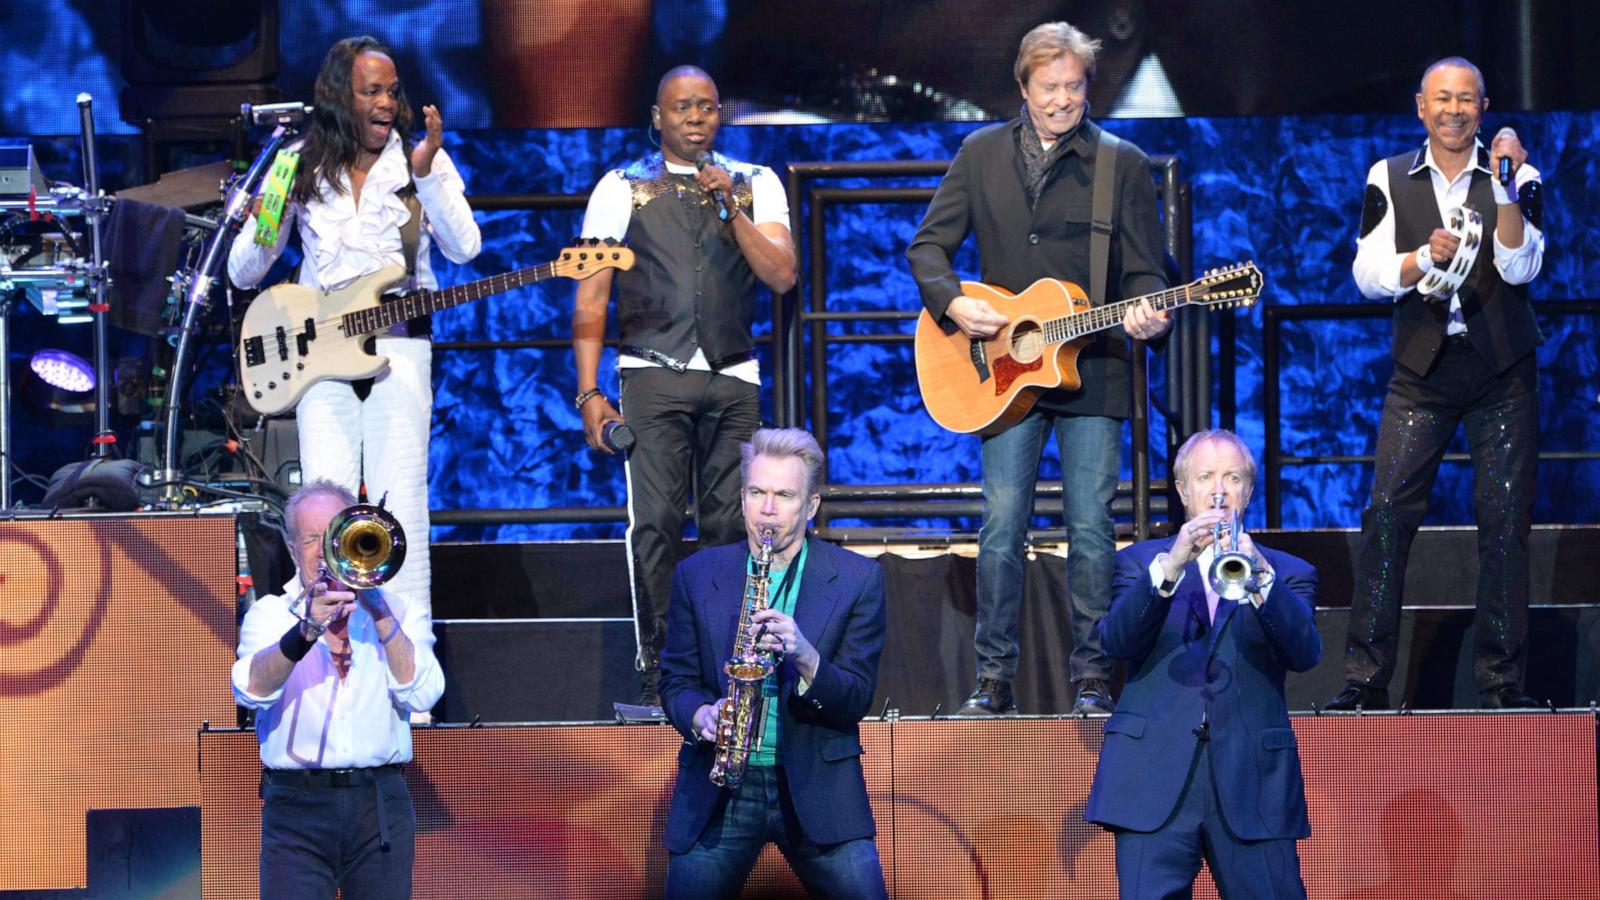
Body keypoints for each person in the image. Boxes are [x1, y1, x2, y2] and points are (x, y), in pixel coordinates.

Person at [905, 21, 1172, 716]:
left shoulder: (1123, 163)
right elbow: (928, 249)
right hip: (1002, 370)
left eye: (1074, 87)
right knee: (1002, 526)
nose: (1062, 101)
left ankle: (1092, 680)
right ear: (1022, 88)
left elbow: (1146, 270)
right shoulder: (980, 152)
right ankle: (992, 681)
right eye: (1048, 87)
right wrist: (956, 304)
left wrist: (1150, 310)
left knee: (1090, 528)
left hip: (1096, 368)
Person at [229, 35, 482, 614]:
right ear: (342, 97)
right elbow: (244, 272)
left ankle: (409, 678)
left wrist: (426, 177)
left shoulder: (421, 159)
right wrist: (269, 216)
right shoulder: (296, 164)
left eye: (392, 91)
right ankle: (326, 646)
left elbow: (466, 248)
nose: (387, 102)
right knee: (326, 503)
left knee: (402, 508)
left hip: (400, 352)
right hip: (323, 357)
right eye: (372, 91)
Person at [573, 65, 798, 706]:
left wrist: (732, 207)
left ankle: (733, 669)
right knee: (659, 523)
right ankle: (661, 673)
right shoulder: (621, 187)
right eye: (681, 108)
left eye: (706, 107)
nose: (695, 117)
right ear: (657, 117)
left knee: (736, 524)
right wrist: (590, 392)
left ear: (720, 113)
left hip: (734, 378)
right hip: (652, 373)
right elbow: (592, 294)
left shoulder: (757, 185)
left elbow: (781, 274)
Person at [1327, 56, 1545, 712]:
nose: (1454, 110)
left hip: (1500, 370)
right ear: (1421, 106)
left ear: (1484, 107)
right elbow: (1366, 272)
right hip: (1423, 370)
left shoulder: (1518, 173)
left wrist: (1505, 186)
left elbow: (1522, 264)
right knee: (1388, 514)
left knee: (1505, 520)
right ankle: (1364, 682)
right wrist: (1423, 257)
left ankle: (1502, 685)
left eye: (1467, 100)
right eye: (1441, 99)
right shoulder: (1388, 177)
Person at [1085, 429, 1320, 899]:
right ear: (1183, 490)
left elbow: (1306, 653)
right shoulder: (1140, 563)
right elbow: (1116, 641)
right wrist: (1171, 567)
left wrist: (1260, 580)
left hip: (1253, 784)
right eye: (1205, 477)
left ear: (1247, 492)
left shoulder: (1288, 572)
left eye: (1232, 478)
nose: (1218, 490)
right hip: (1153, 784)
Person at [658, 428, 887, 898]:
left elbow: (856, 698)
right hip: (720, 789)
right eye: (757, 492)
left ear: (811, 505)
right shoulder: (696, 576)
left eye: (784, 495)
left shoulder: (858, 579)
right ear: (741, 498)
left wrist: (805, 655)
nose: (768, 509)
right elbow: (676, 681)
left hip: (818, 790)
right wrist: (701, 714)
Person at [231, 479, 445, 898]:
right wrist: (306, 629)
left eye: (334, 534)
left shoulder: (401, 611)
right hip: (297, 804)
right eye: (312, 538)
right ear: (294, 551)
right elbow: (250, 692)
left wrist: (379, 611)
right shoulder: (270, 615)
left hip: (378, 803)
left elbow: (423, 696)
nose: (325, 550)